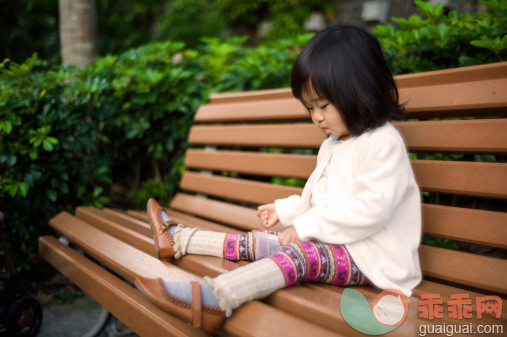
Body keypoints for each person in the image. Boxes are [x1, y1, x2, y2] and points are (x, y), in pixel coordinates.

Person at [134, 23, 422, 334]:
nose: (316, 117)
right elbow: (324, 201)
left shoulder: (382, 142)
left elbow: (371, 211)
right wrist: (287, 211)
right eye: (310, 108)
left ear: (362, 91)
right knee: (265, 241)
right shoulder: (334, 144)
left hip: (373, 259)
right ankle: (179, 239)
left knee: (298, 254)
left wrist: (306, 226)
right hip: (339, 247)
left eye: (323, 106)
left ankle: (216, 297)